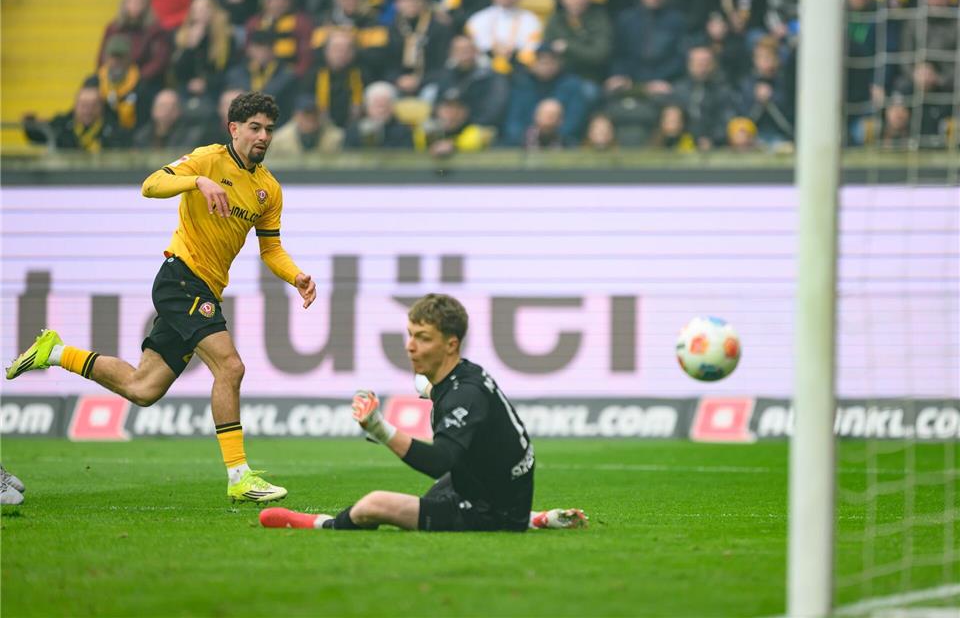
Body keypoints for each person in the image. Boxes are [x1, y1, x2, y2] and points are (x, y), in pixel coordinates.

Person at [5, 92, 317, 505]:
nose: (263, 137)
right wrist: (196, 181)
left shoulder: (268, 189)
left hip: (204, 288)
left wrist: (296, 276)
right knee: (231, 366)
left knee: (143, 388)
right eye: (255, 128)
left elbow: (270, 250)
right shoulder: (207, 160)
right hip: (181, 279)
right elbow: (151, 185)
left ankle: (56, 351)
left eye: (269, 130)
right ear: (234, 129)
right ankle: (239, 476)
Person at [259, 293, 587, 532]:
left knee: (374, 505)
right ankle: (535, 518)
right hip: (497, 488)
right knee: (434, 497)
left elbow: (439, 461)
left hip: (490, 511)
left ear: (451, 345)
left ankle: (322, 525)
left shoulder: (465, 395)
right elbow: (435, 389)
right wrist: (425, 387)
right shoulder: (464, 374)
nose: (411, 346)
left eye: (423, 338)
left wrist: (379, 428)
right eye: (410, 335)